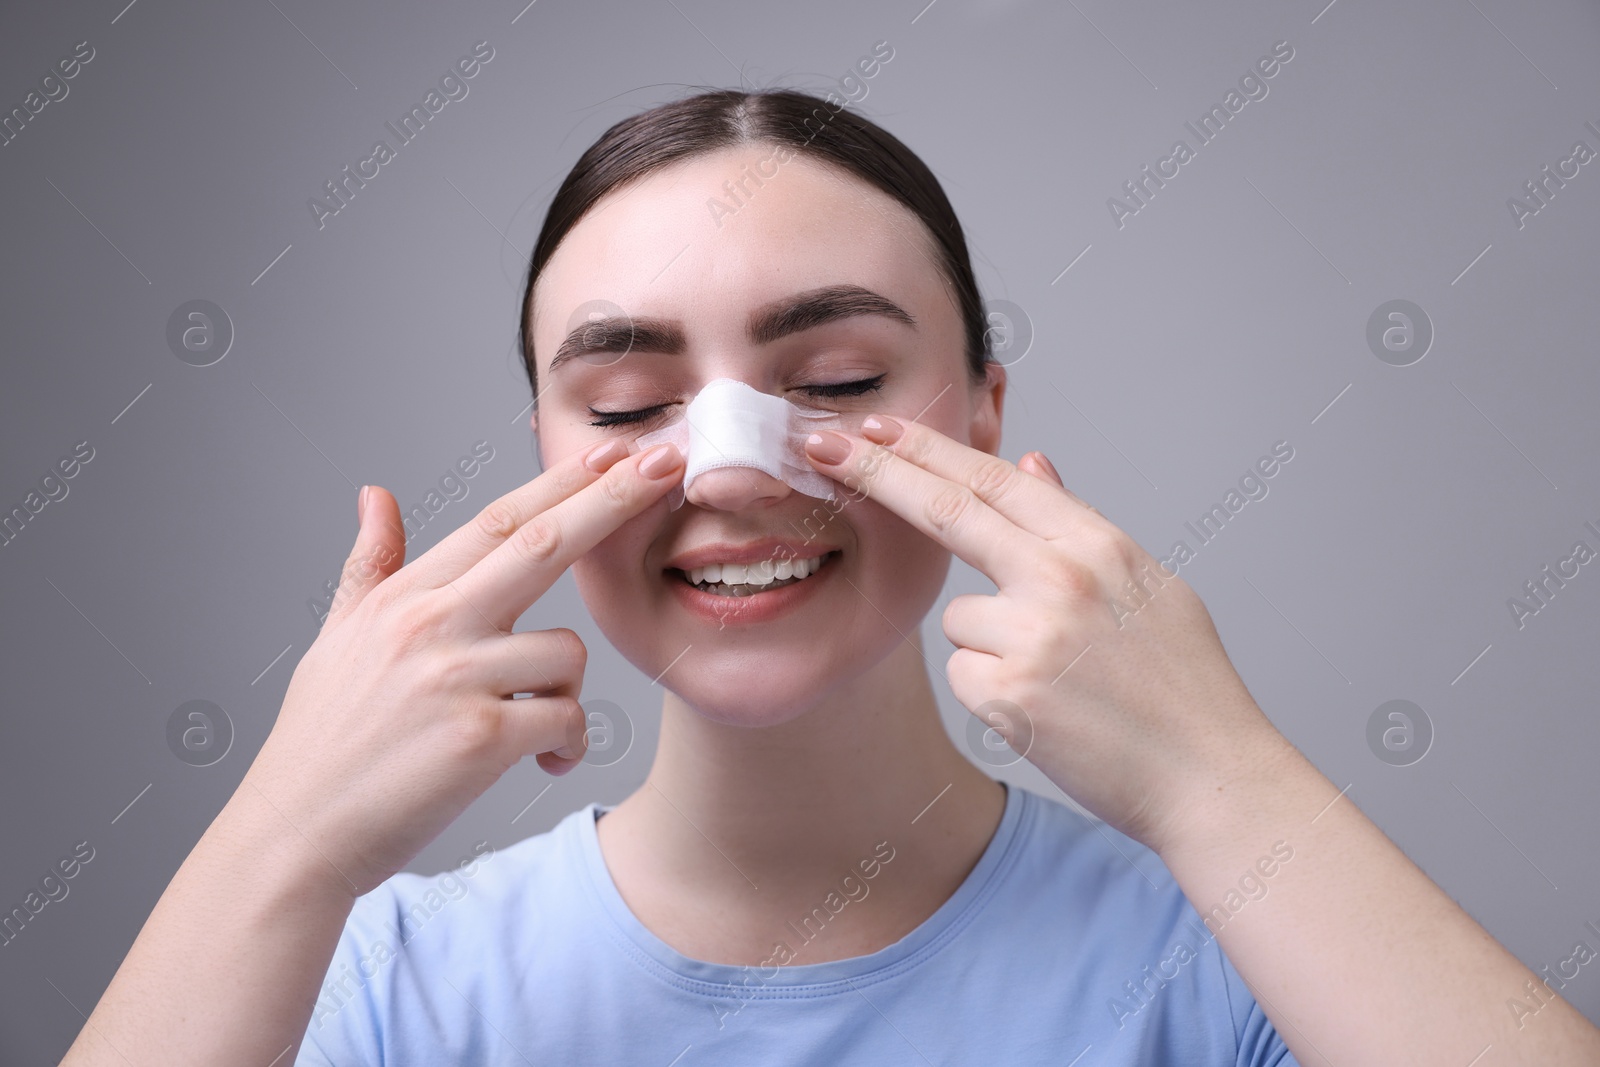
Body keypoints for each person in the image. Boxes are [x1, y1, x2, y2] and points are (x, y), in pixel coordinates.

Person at [62, 88, 1600, 1067]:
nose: (730, 469)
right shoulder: (382, 984)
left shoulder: (1231, 959)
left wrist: (1226, 782)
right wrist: (276, 836)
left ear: (987, 413)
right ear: (540, 444)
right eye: (623, 406)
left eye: (841, 375)